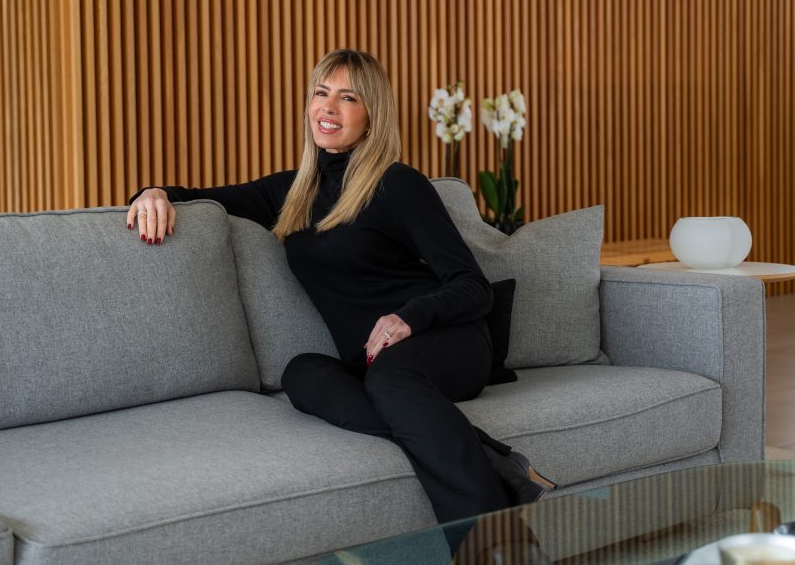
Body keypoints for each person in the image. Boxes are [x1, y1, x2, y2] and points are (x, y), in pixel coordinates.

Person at [127, 49, 553, 536]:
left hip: (447, 344)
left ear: (372, 116)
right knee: (303, 374)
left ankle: (492, 544)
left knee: (392, 382)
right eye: (320, 93)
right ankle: (495, 462)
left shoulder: (398, 184)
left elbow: (472, 287)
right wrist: (153, 193)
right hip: (374, 361)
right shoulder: (291, 192)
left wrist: (408, 317)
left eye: (347, 97)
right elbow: (198, 196)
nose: (327, 108)